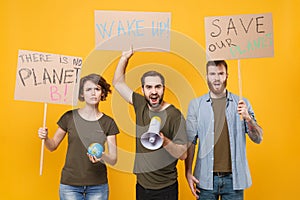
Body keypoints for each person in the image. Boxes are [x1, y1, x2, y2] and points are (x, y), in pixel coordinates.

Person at [112, 48, 188, 200]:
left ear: (163, 89)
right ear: (143, 89)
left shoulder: (175, 115)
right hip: (142, 186)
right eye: (149, 87)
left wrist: (164, 140)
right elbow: (118, 83)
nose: (154, 92)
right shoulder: (140, 104)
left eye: (158, 87)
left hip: (166, 187)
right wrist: (124, 58)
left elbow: (183, 154)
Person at [185, 60, 263, 200]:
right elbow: (190, 141)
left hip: (234, 180)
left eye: (220, 73)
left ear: (227, 75)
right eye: (212, 74)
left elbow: (258, 138)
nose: (216, 78)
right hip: (205, 179)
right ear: (207, 76)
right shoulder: (196, 105)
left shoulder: (242, 103)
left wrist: (247, 118)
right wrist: (188, 172)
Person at [38, 73, 119, 200]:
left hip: (98, 185)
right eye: (88, 89)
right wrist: (46, 138)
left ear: (102, 93)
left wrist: (101, 156)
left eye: (97, 89)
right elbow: (52, 146)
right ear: (82, 94)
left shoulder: (108, 123)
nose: (93, 93)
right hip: (70, 185)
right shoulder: (69, 117)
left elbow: (113, 159)